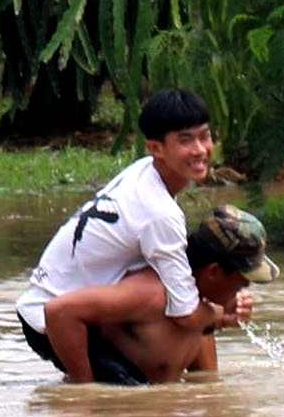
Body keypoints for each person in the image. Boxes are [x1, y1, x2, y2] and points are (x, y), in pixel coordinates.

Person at [17, 88, 256, 386]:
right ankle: (80, 390)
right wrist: (222, 315)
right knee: (115, 394)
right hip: (51, 320)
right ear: (156, 148)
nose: (199, 149)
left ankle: (203, 390)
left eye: (204, 136)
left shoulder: (145, 172)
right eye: (185, 140)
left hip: (67, 304)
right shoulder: (160, 214)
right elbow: (185, 314)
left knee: (187, 294)